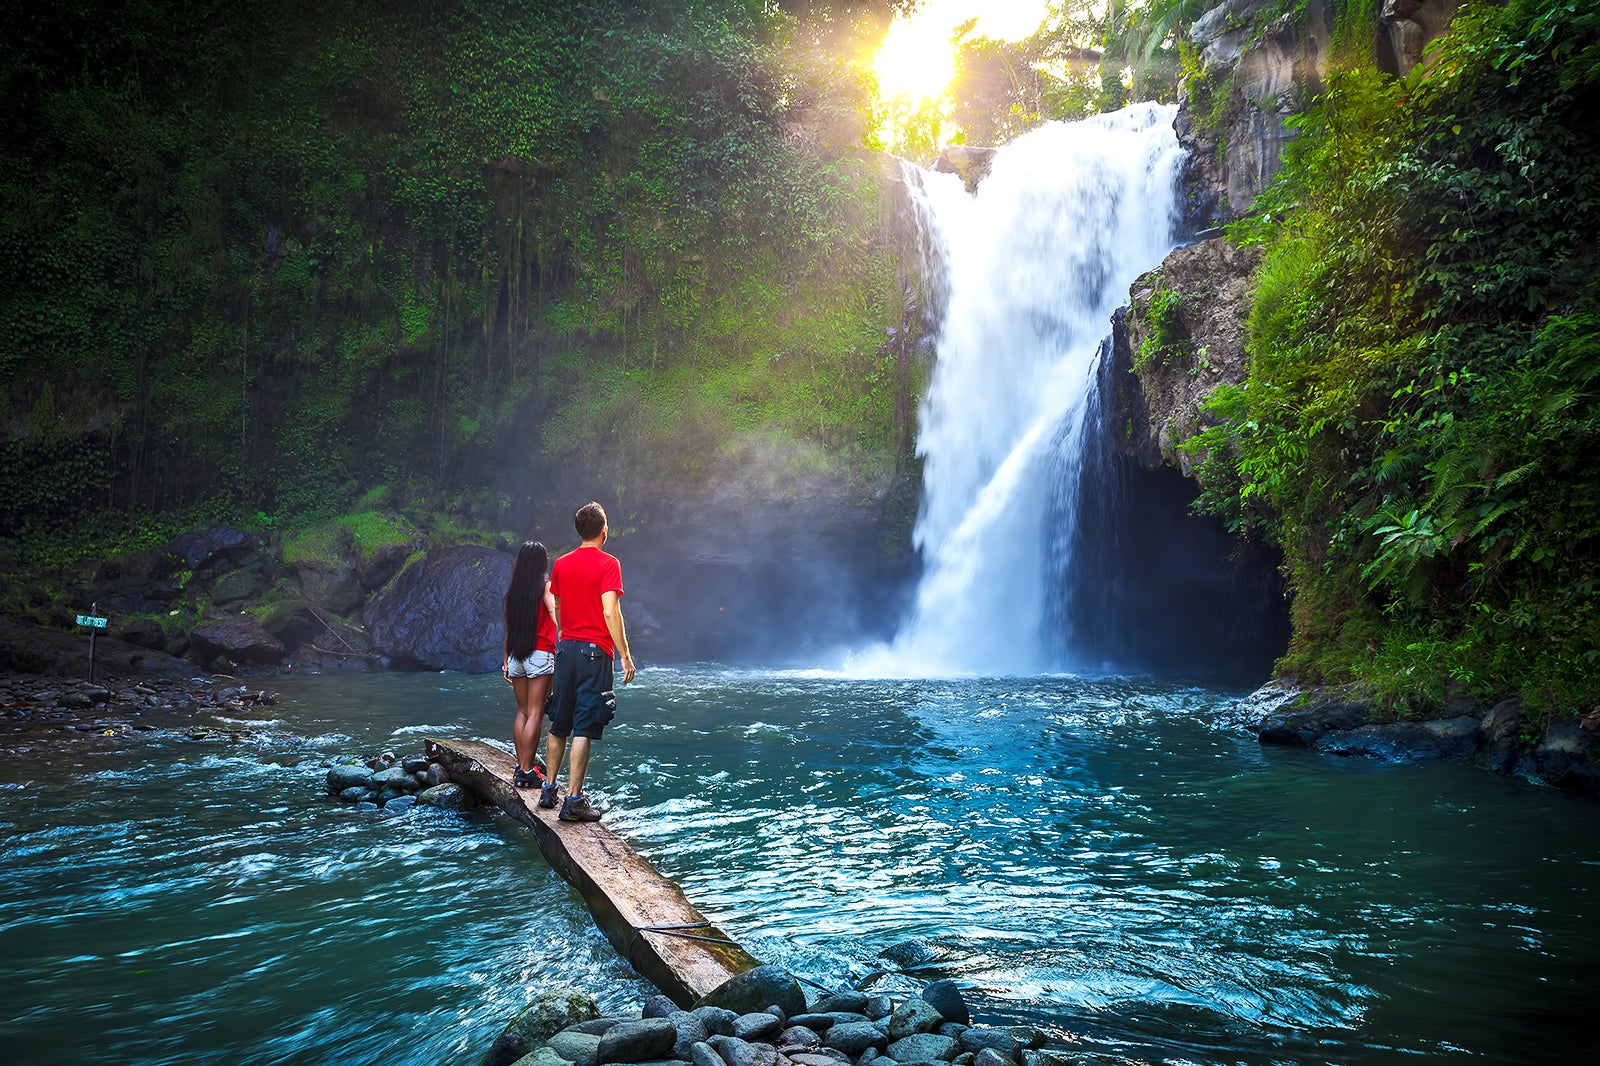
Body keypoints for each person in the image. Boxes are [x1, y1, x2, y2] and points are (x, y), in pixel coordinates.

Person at [541, 501, 635, 822]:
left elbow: (558, 607)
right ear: (604, 531)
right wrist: (624, 653)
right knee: (584, 723)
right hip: (595, 652)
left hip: (566, 648)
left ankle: (548, 789)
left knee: (559, 719)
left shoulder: (561, 564)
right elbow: (611, 610)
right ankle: (573, 801)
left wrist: (566, 635)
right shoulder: (609, 564)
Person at [503, 541, 558, 789]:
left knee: (523, 712)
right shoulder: (545, 587)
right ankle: (527, 770)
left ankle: (520, 765)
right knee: (536, 713)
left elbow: (509, 629)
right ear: (542, 563)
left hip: (516, 656)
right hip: (540, 655)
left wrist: (505, 661)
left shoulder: (514, 593)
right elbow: (554, 611)